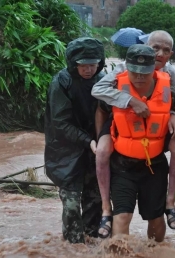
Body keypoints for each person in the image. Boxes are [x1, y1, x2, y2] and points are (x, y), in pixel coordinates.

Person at [91, 30, 175, 238]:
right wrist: (129, 101)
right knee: (103, 150)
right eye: (155, 48)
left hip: (155, 126)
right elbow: (100, 101)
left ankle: (170, 202)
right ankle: (106, 209)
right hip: (121, 121)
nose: (160, 53)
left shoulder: (170, 74)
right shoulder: (122, 71)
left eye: (165, 50)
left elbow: (171, 102)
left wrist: (172, 116)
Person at [44, 37, 105, 244]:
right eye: (83, 65)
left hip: (94, 150)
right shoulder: (61, 82)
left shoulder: (102, 80)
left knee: (95, 201)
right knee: (71, 204)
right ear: (73, 63)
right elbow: (60, 123)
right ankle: (73, 248)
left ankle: (92, 247)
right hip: (65, 151)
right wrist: (88, 140)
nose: (89, 69)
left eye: (93, 64)